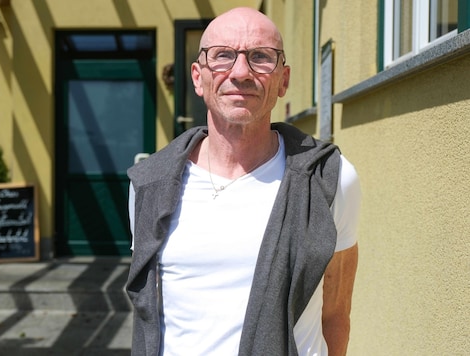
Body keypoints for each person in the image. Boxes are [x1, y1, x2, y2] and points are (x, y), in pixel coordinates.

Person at [126, 7, 361, 356]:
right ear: (198, 77)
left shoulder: (330, 180)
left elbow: (336, 311)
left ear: (283, 80)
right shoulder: (148, 185)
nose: (240, 72)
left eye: (260, 57)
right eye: (222, 56)